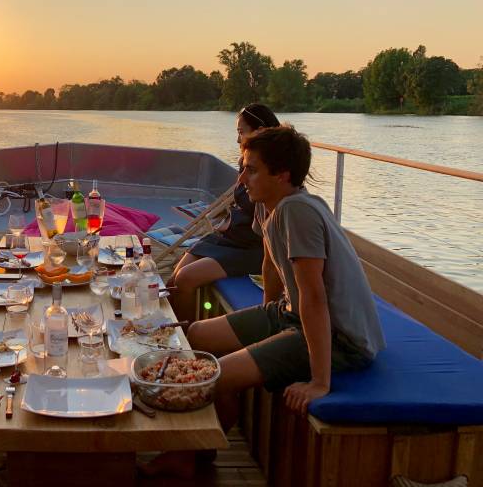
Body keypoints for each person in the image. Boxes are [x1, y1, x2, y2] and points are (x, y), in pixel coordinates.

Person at [148, 126, 386, 478]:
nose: (242, 178)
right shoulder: (268, 204)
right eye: (243, 167)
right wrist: (264, 317)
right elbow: (270, 265)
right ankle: (208, 443)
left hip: (339, 338)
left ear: (282, 174)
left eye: (252, 169)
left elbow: (315, 298)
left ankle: (186, 456)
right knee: (195, 336)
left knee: (207, 374)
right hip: (290, 314)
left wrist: (320, 381)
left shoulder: (298, 212)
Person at [169, 104, 280, 323]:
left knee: (185, 279)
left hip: (251, 248)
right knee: (174, 279)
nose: (238, 140)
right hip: (228, 237)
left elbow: (271, 230)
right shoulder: (246, 161)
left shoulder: (273, 172)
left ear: (260, 131)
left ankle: (188, 343)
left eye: (241, 132)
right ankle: (175, 336)